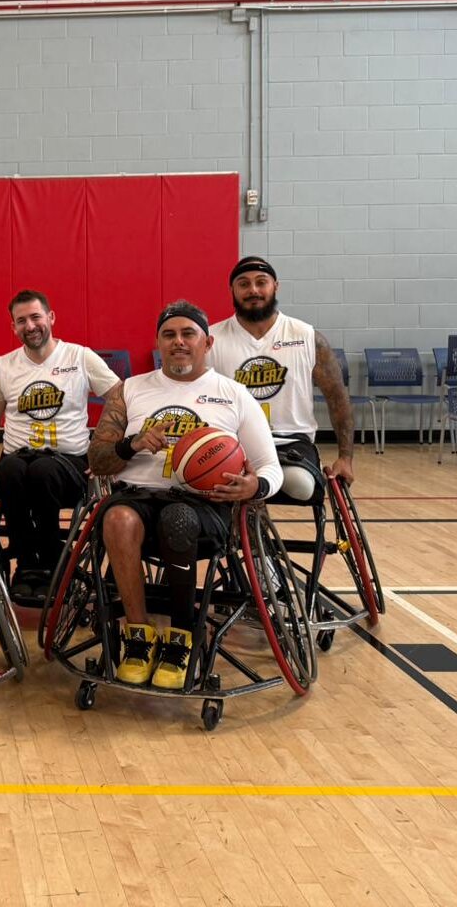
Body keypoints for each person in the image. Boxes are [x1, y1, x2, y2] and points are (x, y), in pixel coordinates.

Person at [87, 301, 280, 691]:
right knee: (116, 518)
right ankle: (138, 636)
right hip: (140, 497)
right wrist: (132, 444)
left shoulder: (234, 394)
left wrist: (253, 486)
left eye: (187, 334)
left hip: (204, 506)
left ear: (206, 342)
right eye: (169, 334)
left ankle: (182, 636)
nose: (178, 342)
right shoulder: (130, 390)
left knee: (179, 518)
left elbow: (270, 468)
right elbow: (97, 458)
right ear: (158, 342)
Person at [0, 289, 120, 602]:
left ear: (50, 318)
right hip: (17, 460)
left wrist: (107, 445)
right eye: (21, 320)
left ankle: (52, 564)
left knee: (43, 471)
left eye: (36, 317)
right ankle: (26, 568)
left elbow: (121, 399)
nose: (30, 325)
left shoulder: (79, 357)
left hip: (67, 464)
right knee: (9, 469)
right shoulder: (4, 366)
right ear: (13, 327)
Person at [208, 256, 356, 502]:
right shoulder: (211, 339)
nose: (253, 290)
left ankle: (255, 520)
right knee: (215, 483)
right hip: (232, 442)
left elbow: (337, 398)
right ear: (232, 290)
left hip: (290, 442)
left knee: (302, 486)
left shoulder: (307, 337)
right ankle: (247, 533)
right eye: (243, 284)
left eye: (261, 282)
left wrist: (345, 458)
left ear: (275, 286)